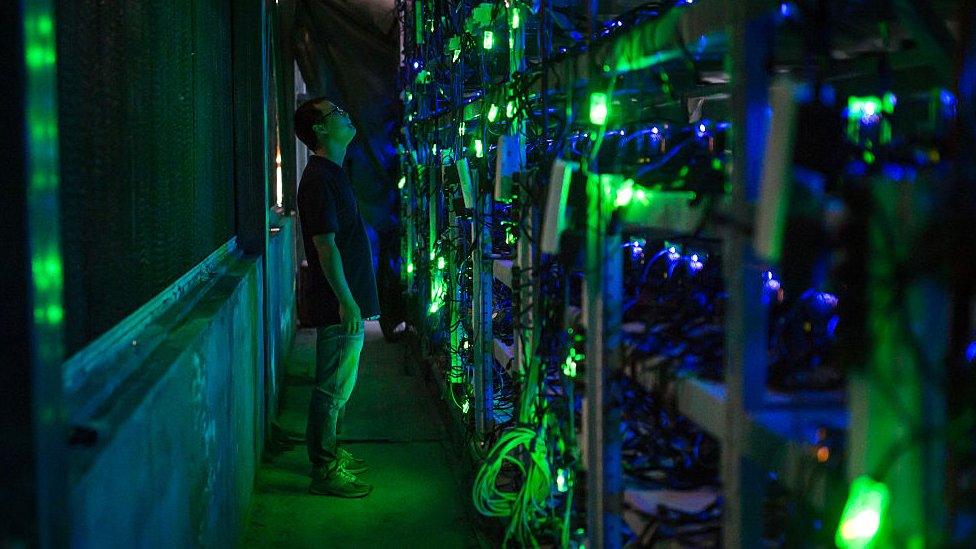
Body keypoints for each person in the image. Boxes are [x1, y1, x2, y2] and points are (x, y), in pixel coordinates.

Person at [294, 97, 380, 498]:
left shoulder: (332, 173)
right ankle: (324, 469)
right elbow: (325, 246)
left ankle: (331, 454)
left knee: (339, 388)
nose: (346, 115)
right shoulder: (318, 179)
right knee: (330, 389)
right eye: (336, 114)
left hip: (346, 299)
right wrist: (345, 300)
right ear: (321, 130)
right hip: (337, 303)